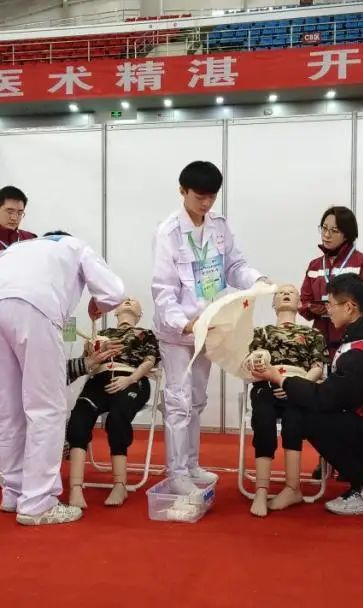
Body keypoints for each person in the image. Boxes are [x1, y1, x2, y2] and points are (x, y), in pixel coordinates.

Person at [252, 274, 363, 516]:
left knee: (311, 417)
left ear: (349, 307)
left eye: (331, 304)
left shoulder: (362, 353)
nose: (327, 310)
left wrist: (281, 378)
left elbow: (325, 398)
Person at [0, 230, 124, 526]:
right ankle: (38, 502)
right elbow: (114, 293)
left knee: (6, 406)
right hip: (33, 306)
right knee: (46, 407)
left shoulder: (20, 247)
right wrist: (100, 304)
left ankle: (13, 492)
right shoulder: (75, 246)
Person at [151, 160, 270, 498]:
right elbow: (162, 289)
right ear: (182, 191)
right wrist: (182, 322)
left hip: (210, 325)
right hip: (178, 332)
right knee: (179, 401)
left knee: (197, 400)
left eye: (211, 197)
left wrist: (257, 280)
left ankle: (190, 464)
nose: (205, 203)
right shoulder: (168, 232)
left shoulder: (219, 226)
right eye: (199, 197)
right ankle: (176, 473)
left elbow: (234, 266)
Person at [0, 338, 125, 488]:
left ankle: (19, 466)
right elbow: (48, 376)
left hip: (17, 412)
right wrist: (87, 361)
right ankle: (16, 468)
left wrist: (87, 360)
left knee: (68, 430)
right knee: (62, 433)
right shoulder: (30, 343)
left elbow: (52, 374)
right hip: (18, 414)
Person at [240, 284, 326, 517]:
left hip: (298, 383)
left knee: (294, 419)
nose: (286, 294)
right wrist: (258, 360)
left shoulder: (313, 335)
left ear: (300, 303)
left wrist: (297, 386)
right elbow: (251, 362)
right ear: (273, 303)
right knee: (263, 418)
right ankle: (261, 489)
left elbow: (318, 367)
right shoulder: (262, 332)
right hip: (267, 383)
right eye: (280, 292)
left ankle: (292, 487)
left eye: (291, 292)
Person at [65, 298, 159, 509]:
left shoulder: (145, 334)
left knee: (117, 418)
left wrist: (131, 379)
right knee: (78, 418)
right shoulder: (101, 334)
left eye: (134, 302)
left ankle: (119, 485)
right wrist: (90, 352)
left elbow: (150, 361)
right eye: (125, 301)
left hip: (131, 379)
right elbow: (88, 364)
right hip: (99, 379)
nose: (129, 301)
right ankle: (75, 487)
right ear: (115, 312)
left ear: (139, 315)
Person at [299, 206, 363, 357]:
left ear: (347, 234)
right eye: (324, 228)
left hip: (352, 340)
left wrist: (344, 310)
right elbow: (304, 302)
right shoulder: (315, 266)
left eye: (334, 231)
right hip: (320, 344)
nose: (327, 234)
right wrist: (311, 308)